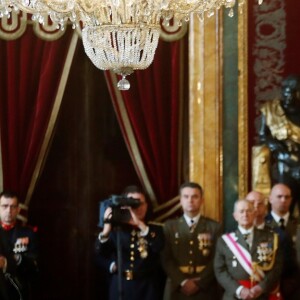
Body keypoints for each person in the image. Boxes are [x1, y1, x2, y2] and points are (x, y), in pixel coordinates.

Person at [95, 185, 164, 300]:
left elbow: (159, 247)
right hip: (121, 286)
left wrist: (141, 225)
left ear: (146, 206)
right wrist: (106, 230)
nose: (137, 208)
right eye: (132, 204)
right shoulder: (117, 229)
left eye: (140, 203)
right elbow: (100, 253)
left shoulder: (155, 229)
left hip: (147, 289)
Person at [161, 182, 222, 300]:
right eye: (186, 196)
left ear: (202, 200)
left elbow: (217, 258)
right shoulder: (170, 226)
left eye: (195, 196)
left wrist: (200, 282)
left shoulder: (214, 227)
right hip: (176, 286)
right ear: (180, 200)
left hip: (205, 288)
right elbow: (165, 258)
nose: (190, 200)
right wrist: (183, 281)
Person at [214, 199, 282, 300]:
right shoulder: (224, 241)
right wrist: (239, 290)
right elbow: (219, 270)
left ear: (254, 214)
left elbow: (278, 267)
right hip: (234, 296)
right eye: (241, 211)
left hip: (262, 295)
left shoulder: (271, 238)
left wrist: (261, 287)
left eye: (248, 211)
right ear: (235, 216)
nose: (245, 214)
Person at [258, 74, 300, 211]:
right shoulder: (271, 110)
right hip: (285, 161)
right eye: (286, 94)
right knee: (285, 200)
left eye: (294, 94)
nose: (289, 98)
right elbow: (263, 136)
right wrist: (276, 147)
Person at [0, 191, 39, 300]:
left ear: (18, 210)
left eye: (12, 207)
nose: (8, 211)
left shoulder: (28, 233)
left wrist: (13, 259)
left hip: (19, 289)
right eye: (4, 206)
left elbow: (34, 265)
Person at [265, 183, 300, 299]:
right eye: (279, 196)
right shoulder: (263, 225)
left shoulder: (297, 224)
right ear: (270, 199)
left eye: (287, 197)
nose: (283, 200)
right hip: (270, 284)